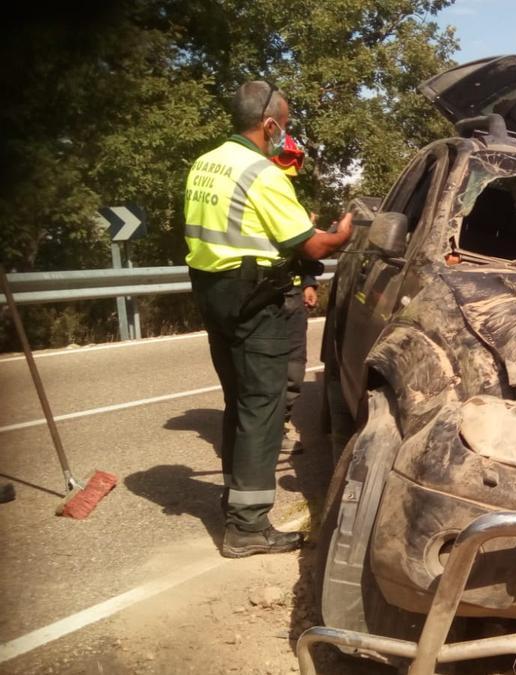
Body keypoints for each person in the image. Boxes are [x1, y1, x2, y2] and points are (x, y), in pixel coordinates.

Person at [184, 80, 352, 558]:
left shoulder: (206, 163)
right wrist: (343, 232)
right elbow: (313, 245)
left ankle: (236, 506)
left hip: (217, 295)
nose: (286, 137)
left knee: (239, 402)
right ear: (270, 124)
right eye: (286, 127)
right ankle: (248, 529)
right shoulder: (261, 174)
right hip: (258, 300)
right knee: (263, 409)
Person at [271, 134, 320, 454]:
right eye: (285, 157)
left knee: (292, 366)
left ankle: (276, 427)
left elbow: (303, 250)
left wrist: (308, 282)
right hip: (263, 295)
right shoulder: (259, 193)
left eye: (295, 158)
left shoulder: (290, 199)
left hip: (290, 294)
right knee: (264, 368)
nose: (291, 165)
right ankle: (264, 434)